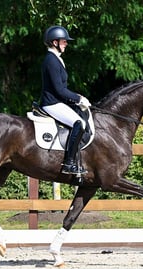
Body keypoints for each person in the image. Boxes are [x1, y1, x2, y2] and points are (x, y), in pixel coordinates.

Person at [40, 25, 91, 175]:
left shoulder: (56, 59)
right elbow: (59, 90)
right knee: (79, 124)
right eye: (64, 41)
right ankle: (68, 163)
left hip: (58, 101)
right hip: (51, 103)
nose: (66, 44)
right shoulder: (51, 60)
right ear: (55, 42)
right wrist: (78, 98)